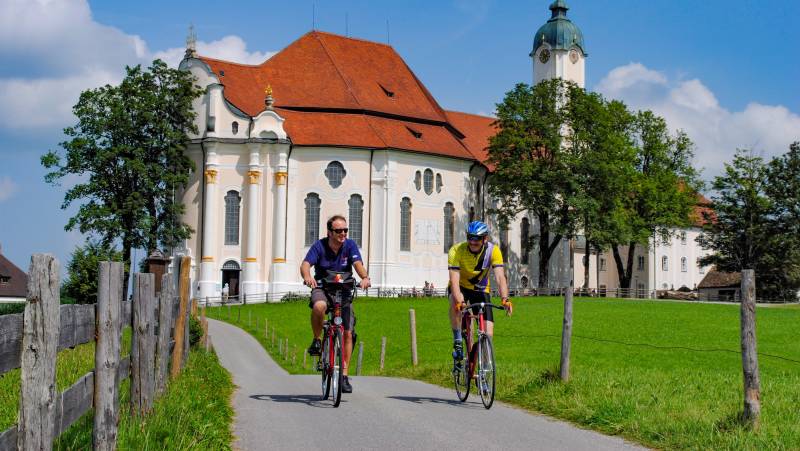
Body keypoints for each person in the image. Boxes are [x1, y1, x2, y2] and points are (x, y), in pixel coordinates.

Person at [300, 215, 371, 393]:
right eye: (339, 231)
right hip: (323, 288)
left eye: (345, 230)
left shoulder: (350, 245)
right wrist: (307, 276)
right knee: (319, 307)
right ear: (330, 232)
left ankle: (344, 376)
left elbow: (357, 264)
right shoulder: (319, 246)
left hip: (343, 290)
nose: (343, 233)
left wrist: (364, 277)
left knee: (347, 333)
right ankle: (317, 340)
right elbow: (306, 264)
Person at [447, 221, 513, 362]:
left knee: (488, 333)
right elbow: (454, 279)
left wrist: (505, 299)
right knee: (454, 301)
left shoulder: (493, 251)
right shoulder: (456, 251)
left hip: (481, 290)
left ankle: (484, 369)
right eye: (470, 237)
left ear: (485, 239)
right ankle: (458, 339)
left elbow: (500, 277)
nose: (472, 242)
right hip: (460, 287)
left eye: (477, 239)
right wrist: (460, 302)